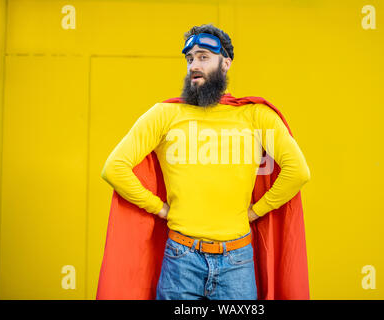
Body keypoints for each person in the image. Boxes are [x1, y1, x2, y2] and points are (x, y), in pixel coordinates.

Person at [99, 23, 311, 300]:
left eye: (203, 57)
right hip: (180, 257)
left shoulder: (256, 116)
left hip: (237, 260)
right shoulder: (165, 114)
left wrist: (257, 211)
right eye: (189, 59)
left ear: (226, 62)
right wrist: (159, 208)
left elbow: (298, 171)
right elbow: (114, 168)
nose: (193, 66)